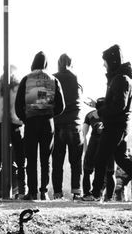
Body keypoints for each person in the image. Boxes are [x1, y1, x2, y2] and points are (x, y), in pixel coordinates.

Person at [83, 44, 132, 205]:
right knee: (122, 159)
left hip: (116, 125)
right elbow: (117, 103)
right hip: (121, 125)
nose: (104, 65)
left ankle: (95, 194)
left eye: (105, 62)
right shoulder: (122, 78)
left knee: (100, 158)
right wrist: (100, 105)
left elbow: (118, 106)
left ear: (113, 61)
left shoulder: (120, 79)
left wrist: (100, 110)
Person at [15, 51, 63, 201]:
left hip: (31, 121)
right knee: (45, 159)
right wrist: (49, 113)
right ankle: (44, 192)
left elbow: (18, 105)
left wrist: (25, 117)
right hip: (47, 122)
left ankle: (32, 192)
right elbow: (61, 106)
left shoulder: (26, 79)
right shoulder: (53, 79)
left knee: (31, 158)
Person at [0, 66, 24, 200]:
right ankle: (22, 190)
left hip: (0, 123)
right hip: (15, 123)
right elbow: (21, 105)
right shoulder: (18, 85)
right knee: (20, 160)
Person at [51, 54, 84, 200]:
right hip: (74, 123)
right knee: (76, 161)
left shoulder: (53, 79)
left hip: (57, 123)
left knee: (57, 162)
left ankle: (57, 193)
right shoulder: (75, 78)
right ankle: (76, 192)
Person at [79, 107, 106, 200]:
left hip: (93, 145)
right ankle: (99, 194)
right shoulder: (111, 113)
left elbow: (83, 134)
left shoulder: (90, 115)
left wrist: (85, 150)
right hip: (104, 144)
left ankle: (88, 194)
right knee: (104, 171)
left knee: (87, 170)